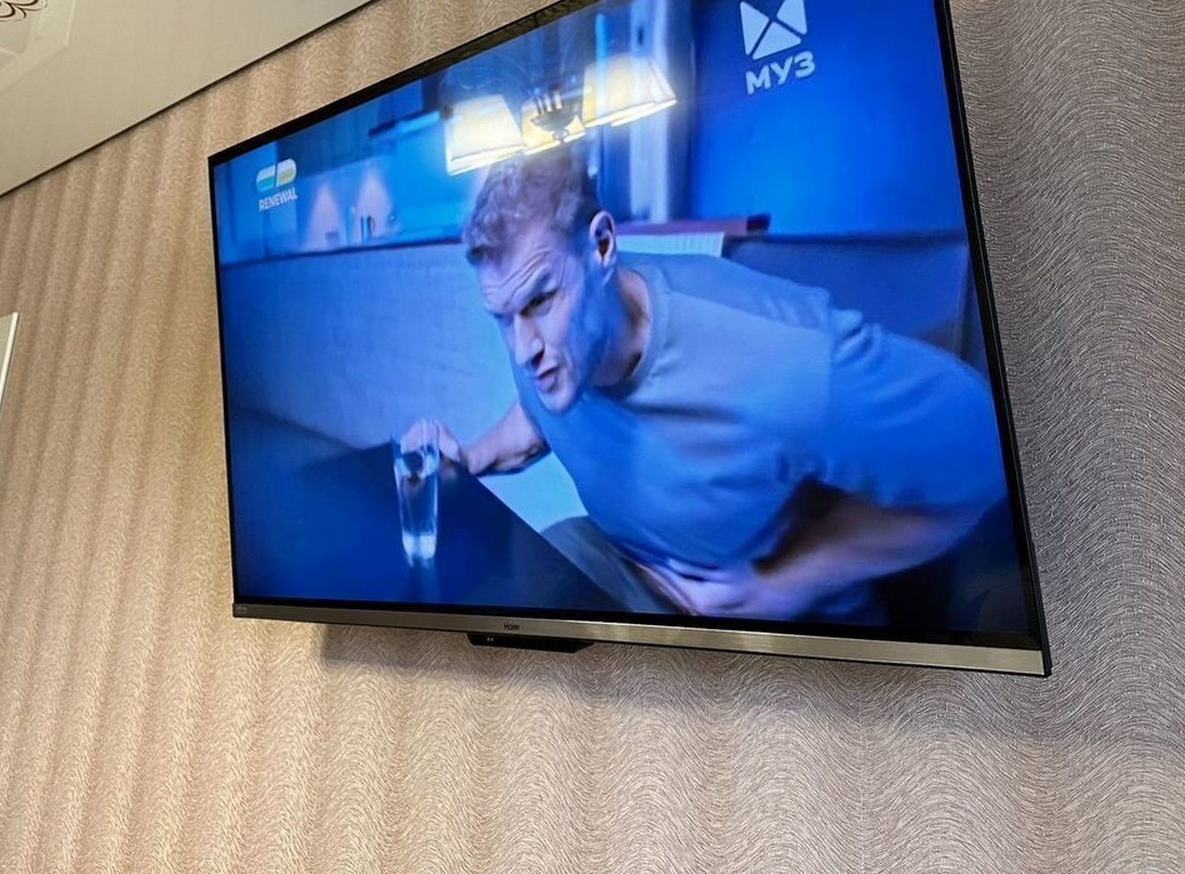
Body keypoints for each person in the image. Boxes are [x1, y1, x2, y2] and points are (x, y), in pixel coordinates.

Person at [402, 148, 1007, 622]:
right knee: (489, 608)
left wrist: (786, 582)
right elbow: (539, 415)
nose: (523, 348)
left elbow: (984, 454)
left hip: (757, 616)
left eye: (540, 301)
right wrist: (469, 459)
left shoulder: (784, 361)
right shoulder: (542, 340)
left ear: (602, 247)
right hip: (622, 563)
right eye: (502, 317)